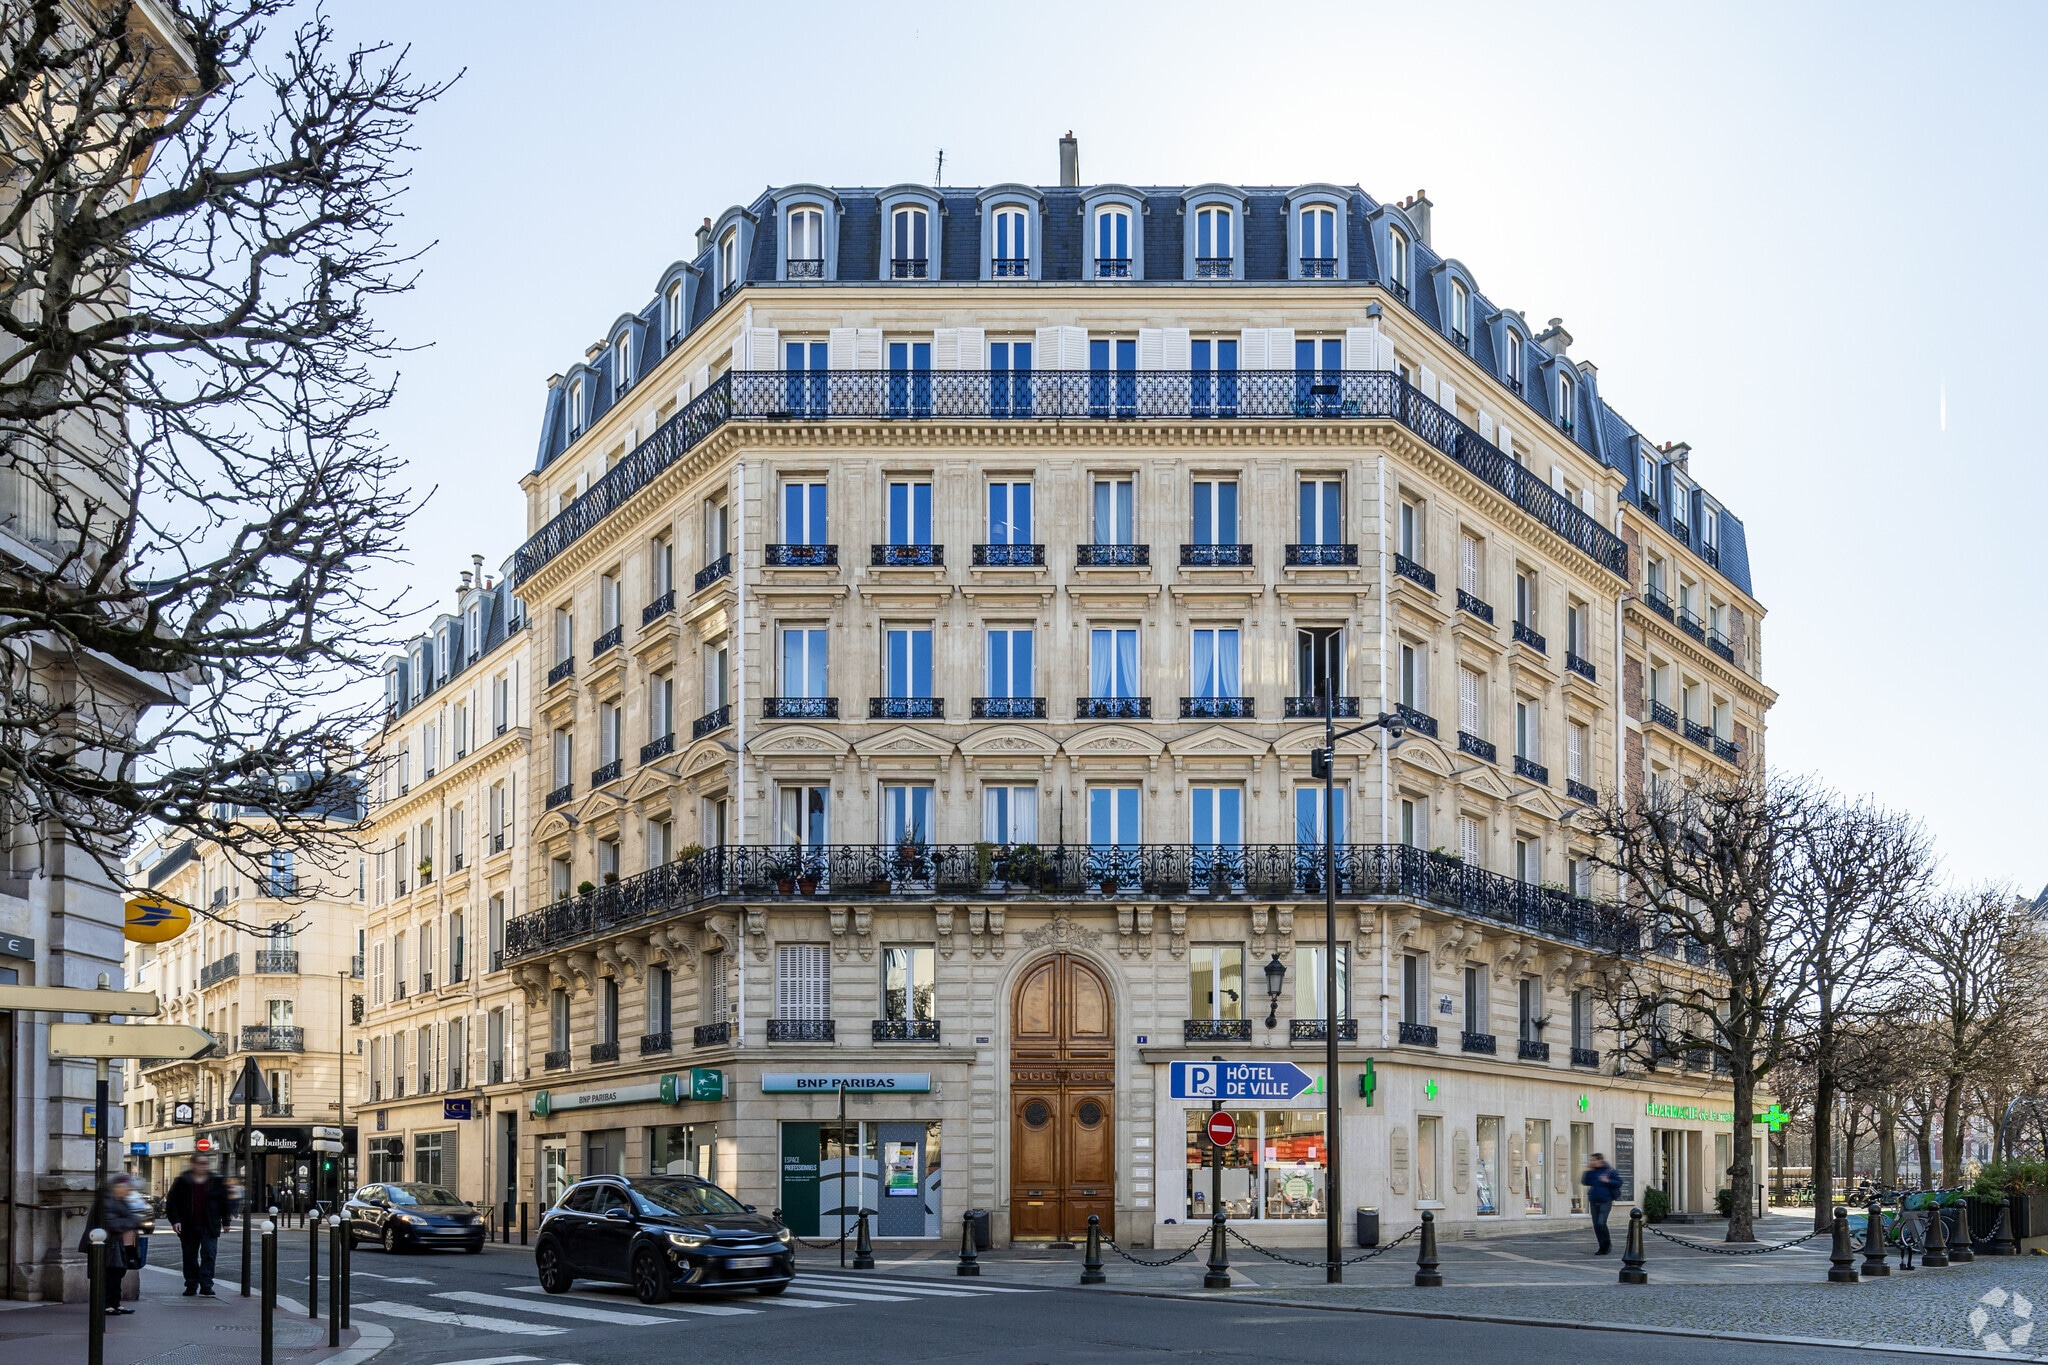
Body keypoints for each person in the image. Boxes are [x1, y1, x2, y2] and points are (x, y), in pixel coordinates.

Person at [165, 1154, 232, 1295]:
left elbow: (224, 1202)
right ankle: (191, 1284)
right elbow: (172, 1203)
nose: (204, 1166)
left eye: (206, 1163)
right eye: (201, 1163)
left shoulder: (216, 1181)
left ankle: (206, 1285)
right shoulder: (182, 1181)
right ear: (193, 1165)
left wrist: (226, 1222)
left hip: (210, 1225)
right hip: (188, 1225)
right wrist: (175, 1220)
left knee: (209, 1254)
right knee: (189, 1256)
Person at [83, 1173, 144, 1314]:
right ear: (118, 1187)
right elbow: (113, 1223)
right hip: (105, 1244)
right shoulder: (106, 1200)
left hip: (116, 1244)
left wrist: (131, 1221)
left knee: (117, 1273)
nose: (129, 1191)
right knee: (108, 1274)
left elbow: (130, 1218)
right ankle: (105, 1305)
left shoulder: (119, 1200)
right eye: (127, 1188)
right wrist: (132, 1221)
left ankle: (115, 1303)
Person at [1581, 1152, 1623, 1254]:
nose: (1592, 1162)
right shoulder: (1592, 1171)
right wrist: (1587, 1172)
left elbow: (1619, 1182)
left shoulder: (1610, 1171)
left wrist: (1608, 1181)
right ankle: (1601, 1247)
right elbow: (1585, 1182)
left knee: (1601, 1223)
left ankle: (1607, 1244)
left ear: (1600, 1160)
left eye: (1593, 1160)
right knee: (1596, 1225)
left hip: (1605, 1200)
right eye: (1591, 1160)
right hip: (1594, 1200)